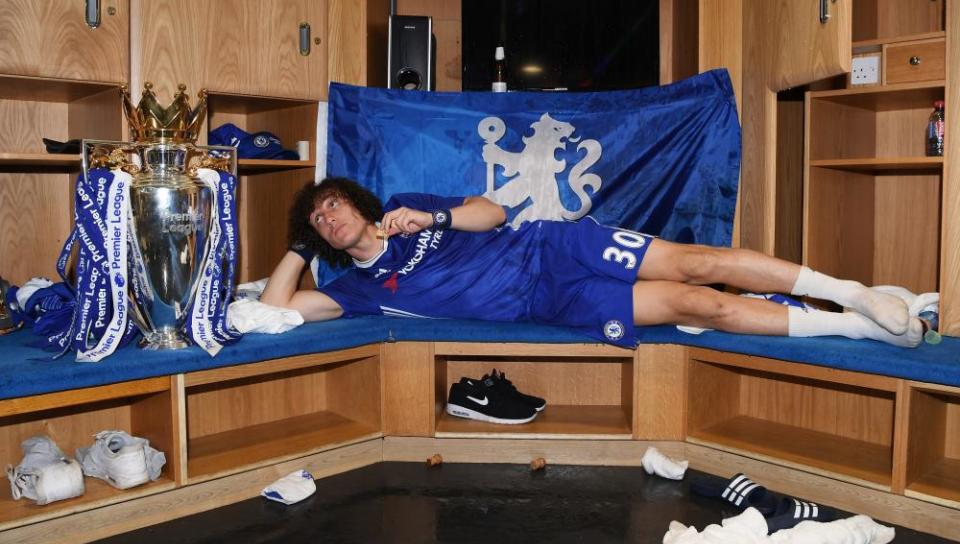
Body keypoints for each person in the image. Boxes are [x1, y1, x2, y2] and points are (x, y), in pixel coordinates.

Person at [261, 177, 922, 348]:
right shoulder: (358, 291)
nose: (329, 216)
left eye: (334, 204)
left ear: (360, 203)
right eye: (318, 218)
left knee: (693, 263)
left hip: (551, 246)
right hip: (550, 304)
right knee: (698, 305)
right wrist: (298, 242)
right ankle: (858, 325)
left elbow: (493, 212)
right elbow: (277, 310)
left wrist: (434, 218)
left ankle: (851, 292)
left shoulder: (409, 209)